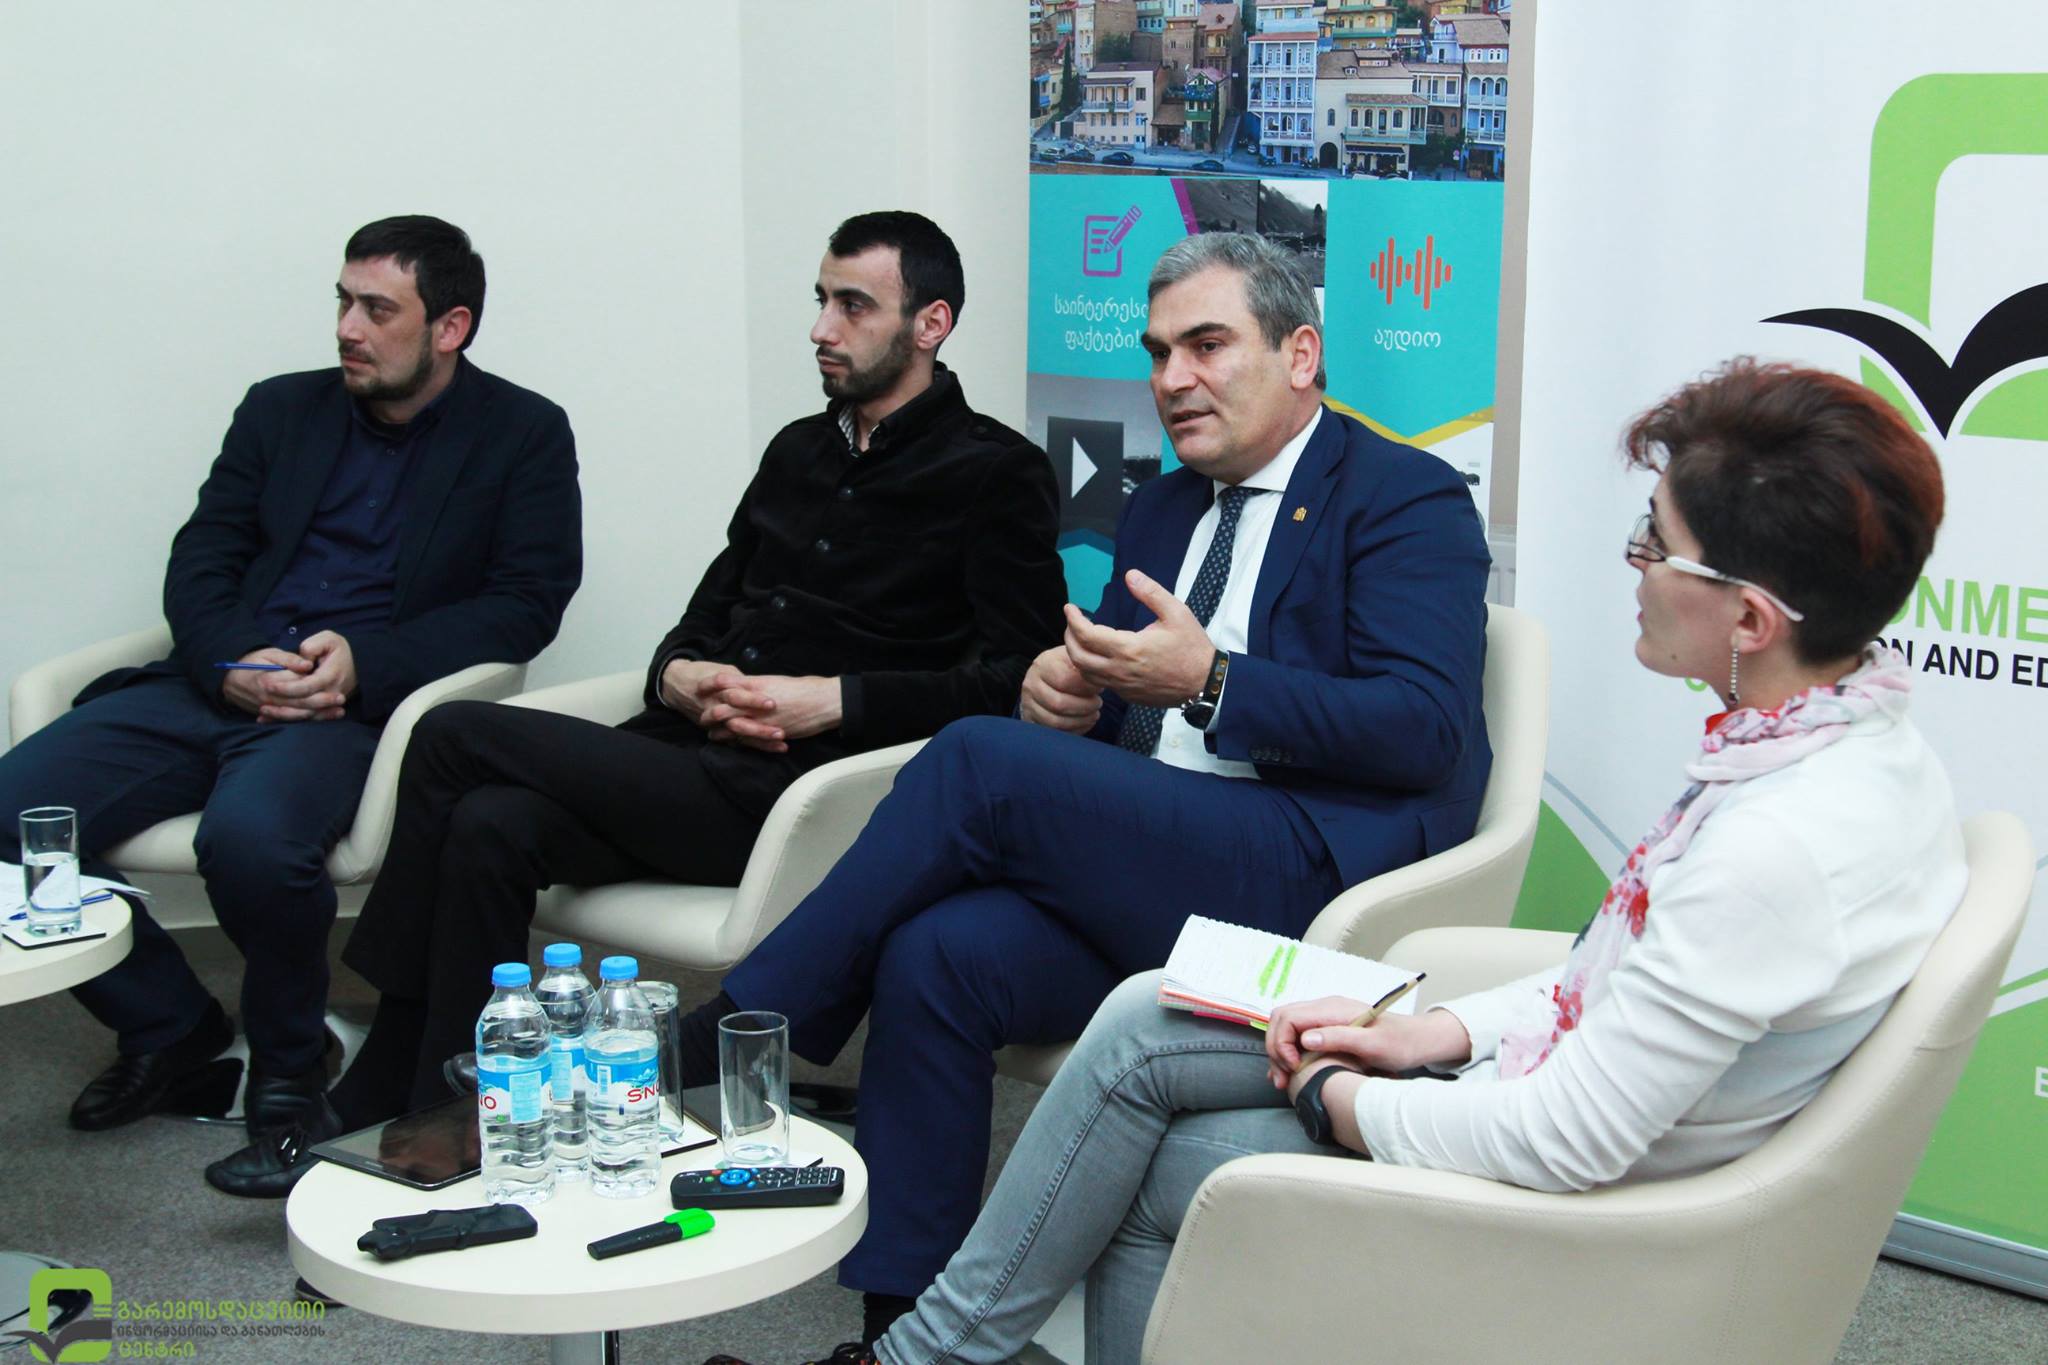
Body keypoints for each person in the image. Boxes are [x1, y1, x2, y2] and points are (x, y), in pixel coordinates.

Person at [837, 357, 1966, 1365]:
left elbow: (1567, 1138)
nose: (1631, 565)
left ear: (1751, 620)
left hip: (1578, 1209)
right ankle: (928, 1356)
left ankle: (922, 1357)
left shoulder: (1773, 848)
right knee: (1146, 1011)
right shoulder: (1839, 748)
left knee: (1160, 1158)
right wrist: (1435, 1032)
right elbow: (1607, 975)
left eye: (1654, 543)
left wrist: (1341, 1097)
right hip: (1528, 1090)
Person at [690, 230, 1494, 1360]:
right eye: (1157, 352)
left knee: (977, 761)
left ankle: (733, 1033)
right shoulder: (1161, 507)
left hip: (1304, 884)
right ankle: (897, 1332)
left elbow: (1421, 729)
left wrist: (1212, 681)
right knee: (935, 954)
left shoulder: (1403, 497)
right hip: (1167, 868)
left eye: (1207, 345)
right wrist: (1069, 702)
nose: (1173, 379)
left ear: (1300, 354)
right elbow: (1128, 714)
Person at [204, 210, 1069, 1196]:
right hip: (681, 758)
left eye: (852, 306)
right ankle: (460, 1113)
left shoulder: (995, 472)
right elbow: (694, 624)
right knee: (488, 824)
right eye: (820, 301)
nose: (821, 328)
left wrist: (835, 702)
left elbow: (1015, 679)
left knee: (448, 735)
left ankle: (376, 1081)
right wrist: (678, 675)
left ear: (930, 324)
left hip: (797, 800)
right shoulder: (797, 450)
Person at [0, 216, 583, 1140]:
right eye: (343, 302)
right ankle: (170, 1024)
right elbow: (203, 558)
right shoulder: (279, 409)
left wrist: (365, 663)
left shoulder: (522, 432)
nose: (348, 327)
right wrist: (233, 661)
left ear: (450, 327)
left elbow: (526, 603)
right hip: (214, 683)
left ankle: (288, 1057)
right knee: (12, 817)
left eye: (377, 309)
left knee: (252, 843)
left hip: (346, 710)